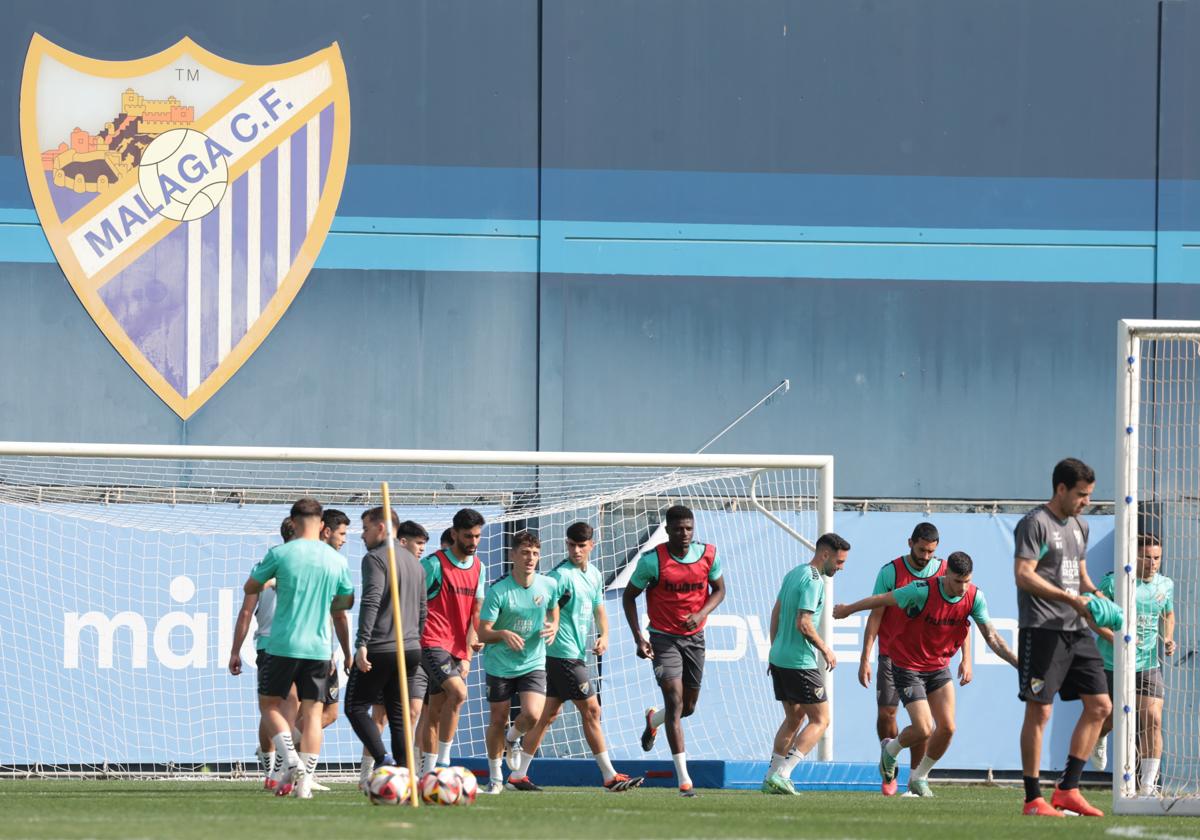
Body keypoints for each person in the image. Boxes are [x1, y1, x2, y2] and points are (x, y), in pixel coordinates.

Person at [835, 551, 1018, 797]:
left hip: (939, 668)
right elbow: (881, 600)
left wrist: (1020, 664)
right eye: (957, 581)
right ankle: (890, 750)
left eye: (967, 581)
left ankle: (919, 777)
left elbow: (993, 637)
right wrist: (848, 609)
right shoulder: (921, 590)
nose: (962, 587)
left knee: (948, 728)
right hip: (907, 666)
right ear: (946, 576)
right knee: (924, 729)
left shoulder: (975, 597)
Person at [1014, 458, 1111, 817]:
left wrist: (1099, 602)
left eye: (1089, 495)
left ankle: (1068, 788)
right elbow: (1023, 575)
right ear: (1061, 489)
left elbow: (1082, 579)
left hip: (1076, 631)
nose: (1086, 502)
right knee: (1040, 711)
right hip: (1042, 629)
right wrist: (1069, 597)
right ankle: (1032, 799)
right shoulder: (1034, 523)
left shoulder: (1080, 526)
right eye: (1081, 495)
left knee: (1101, 706)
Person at [515, 522, 644, 791]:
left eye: (581, 546)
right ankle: (609, 776)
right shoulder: (560, 576)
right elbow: (547, 605)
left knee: (548, 716)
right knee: (592, 710)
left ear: (591, 546)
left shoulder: (595, 574)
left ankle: (517, 776)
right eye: (571, 545)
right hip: (561, 655)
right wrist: (551, 622)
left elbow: (598, 607)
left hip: (573, 654)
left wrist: (604, 635)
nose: (575, 550)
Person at [243, 498, 355, 798]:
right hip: (319, 647)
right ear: (321, 525)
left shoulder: (280, 553)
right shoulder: (337, 561)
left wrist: (273, 581)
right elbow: (345, 604)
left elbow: (250, 587)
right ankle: (304, 784)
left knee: (269, 706)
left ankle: (289, 757)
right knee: (314, 714)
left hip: (282, 644)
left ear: (293, 522)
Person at [622, 504, 726, 797]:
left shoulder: (709, 555)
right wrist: (638, 637)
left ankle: (653, 720)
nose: (684, 533)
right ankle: (684, 781)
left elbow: (719, 589)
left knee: (688, 707)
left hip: (695, 638)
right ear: (667, 530)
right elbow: (629, 597)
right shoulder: (652, 561)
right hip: (663, 639)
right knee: (675, 700)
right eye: (678, 529)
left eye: (689, 528)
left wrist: (701, 612)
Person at [858, 522, 952, 795]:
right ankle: (890, 761)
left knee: (923, 724)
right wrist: (866, 656)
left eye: (930, 552)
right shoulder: (890, 571)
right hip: (891, 654)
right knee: (886, 713)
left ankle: (915, 778)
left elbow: (958, 613)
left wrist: (966, 658)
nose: (925, 557)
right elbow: (876, 613)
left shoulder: (945, 572)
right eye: (921, 550)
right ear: (909, 542)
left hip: (925, 658)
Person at [762, 533, 850, 795]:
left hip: (780, 658)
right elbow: (804, 623)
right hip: (800, 663)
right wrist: (826, 650)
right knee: (821, 720)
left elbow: (776, 612)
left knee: (794, 718)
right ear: (825, 555)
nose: (841, 567)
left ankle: (769, 779)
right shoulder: (814, 581)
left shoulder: (794, 573)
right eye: (839, 561)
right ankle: (784, 773)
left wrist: (774, 649)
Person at [345, 507, 427, 788]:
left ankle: (384, 760)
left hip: (381, 646)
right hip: (411, 647)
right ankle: (407, 774)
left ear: (381, 528)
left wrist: (362, 643)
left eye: (366, 528)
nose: (362, 535)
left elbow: (371, 600)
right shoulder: (415, 561)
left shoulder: (375, 558)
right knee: (398, 714)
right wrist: (414, 639)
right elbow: (422, 610)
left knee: (355, 706)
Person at [476, 530, 561, 794]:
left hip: (533, 661)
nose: (530, 558)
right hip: (500, 664)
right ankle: (495, 778)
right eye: (525, 552)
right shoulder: (499, 591)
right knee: (498, 719)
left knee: (534, 714)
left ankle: (512, 739)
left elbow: (554, 607)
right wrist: (501, 634)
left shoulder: (548, 585)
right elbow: (482, 633)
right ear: (513, 555)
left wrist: (554, 625)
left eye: (535, 553)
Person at [1091, 533, 1175, 795]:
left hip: (1148, 664)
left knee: (1153, 719)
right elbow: (1093, 618)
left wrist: (1169, 637)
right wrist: (1118, 639)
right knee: (1113, 718)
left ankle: (1148, 786)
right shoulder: (1114, 583)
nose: (1153, 563)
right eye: (1147, 557)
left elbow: (1168, 613)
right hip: (1112, 663)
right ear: (1134, 556)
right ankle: (1100, 737)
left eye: (1157, 558)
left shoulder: (1165, 585)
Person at [229, 517, 299, 791]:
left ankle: (278, 764)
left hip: (296, 644)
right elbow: (247, 611)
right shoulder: (264, 567)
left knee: (285, 707)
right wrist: (235, 650)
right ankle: (275, 766)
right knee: (277, 704)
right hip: (270, 643)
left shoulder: (306, 565)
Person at [416, 508, 487, 775]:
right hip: (432, 642)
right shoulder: (434, 564)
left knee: (436, 710)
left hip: (457, 649)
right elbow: (409, 601)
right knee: (459, 693)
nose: (473, 542)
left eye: (477, 536)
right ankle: (444, 766)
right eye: (468, 536)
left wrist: (468, 653)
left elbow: (475, 614)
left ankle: (427, 773)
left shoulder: (479, 567)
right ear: (454, 533)